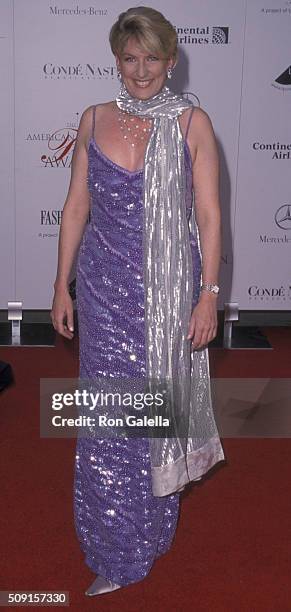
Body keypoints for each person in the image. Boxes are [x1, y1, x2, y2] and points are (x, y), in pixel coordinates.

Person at [50, 6, 225, 597]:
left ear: (171, 60)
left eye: (153, 57)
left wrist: (209, 297)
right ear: (117, 61)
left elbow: (208, 216)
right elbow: (77, 206)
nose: (142, 69)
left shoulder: (191, 122)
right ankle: (112, 546)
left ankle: (150, 529)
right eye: (131, 58)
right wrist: (59, 285)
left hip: (167, 297)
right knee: (106, 421)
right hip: (102, 291)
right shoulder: (94, 117)